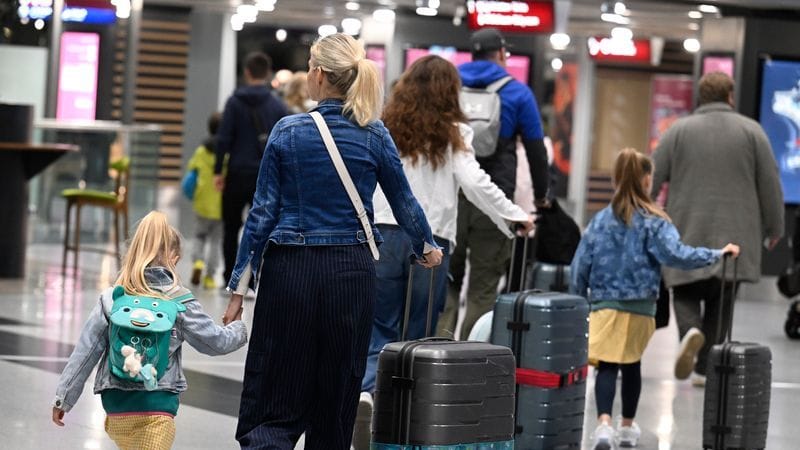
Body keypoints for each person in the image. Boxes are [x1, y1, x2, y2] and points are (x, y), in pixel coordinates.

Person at [221, 34, 443, 450]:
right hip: (352, 272)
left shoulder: (287, 132)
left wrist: (239, 288)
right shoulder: (375, 135)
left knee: (276, 391)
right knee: (337, 394)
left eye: (309, 65)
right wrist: (426, 246)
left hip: (291, 273)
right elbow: (403, 201)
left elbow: (262, 215)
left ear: (319, 75)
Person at [351, 55, 533, 450]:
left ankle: (366, 393)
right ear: (450, 92)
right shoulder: (454, 134)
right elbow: (476, 183)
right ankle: (402, 424)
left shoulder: (384, 127)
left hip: (381, 234)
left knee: (378, 326)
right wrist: (514, 215)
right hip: (429, 242)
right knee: (417, 333)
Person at [570, 148, 740, 449]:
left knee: (607, 365)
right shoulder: (655, 222)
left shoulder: (599, 221)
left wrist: (579, 300)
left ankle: (604, 425)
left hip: (604, 307)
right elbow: (678, 255)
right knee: (632, 363)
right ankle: (626, 427)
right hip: (641, 308)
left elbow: (580, 265)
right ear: (647, 180)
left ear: (616, 178)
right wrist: (717, 254)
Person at [51, 211, 247, 450]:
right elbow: (216, 343)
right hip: (157, 407)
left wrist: (64, 398)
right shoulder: (179, 301)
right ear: (174, 260)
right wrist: (239, 326)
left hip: (115, 407)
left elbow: (85, 353)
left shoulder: (112, 298)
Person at [651, 72, 784, 387]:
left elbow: (652, 177)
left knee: (682, 287)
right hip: (735, 237)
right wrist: (774, 226)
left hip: (686, 230)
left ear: (700, 98)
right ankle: (704, 366)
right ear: (730, 97)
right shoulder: (752, 131)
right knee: (721, 298)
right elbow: (770, 184)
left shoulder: (678, 131)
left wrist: (638, 214)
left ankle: (689, 332)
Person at [437, 27, 550, 340]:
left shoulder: (450, 86)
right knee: (483, 288)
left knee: (447, 280)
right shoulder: (517, 92)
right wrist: (541, 198)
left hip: (452, 196)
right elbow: (537, 150)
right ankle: (469, 359)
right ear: (501, 54)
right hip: (495, 198)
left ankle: (438, 354)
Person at [215, 52, 289, 288]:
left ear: (247, 72)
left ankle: (230, 276)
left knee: (230, 226)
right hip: (264, 176)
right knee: (260, 227)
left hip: (236, 172)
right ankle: (253, 276)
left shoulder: (234, 102)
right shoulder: (277, 106)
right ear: (267, 74)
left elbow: (223, 138)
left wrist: (218, 171)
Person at [188, 112, 224, 289]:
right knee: (216, 242)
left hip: (202, 202)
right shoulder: (227, 153)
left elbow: (192, 173)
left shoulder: (201, 151)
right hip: (221, 206)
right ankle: (210, 277)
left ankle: (197, 262)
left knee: (199, 236)